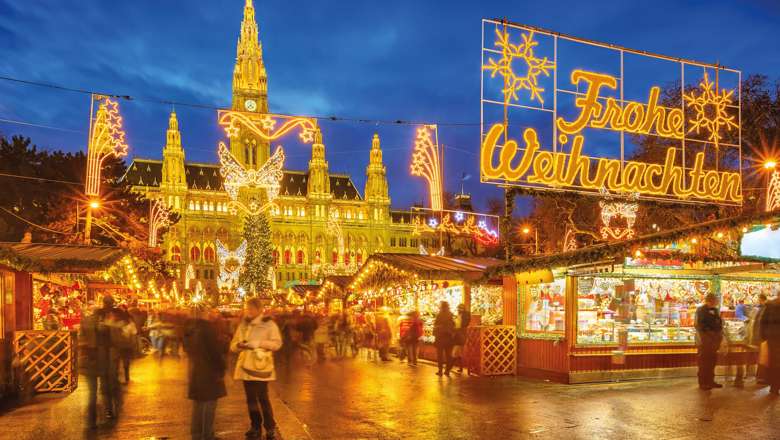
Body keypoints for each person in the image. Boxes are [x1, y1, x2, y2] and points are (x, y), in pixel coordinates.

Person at [231, 298, 283, 440]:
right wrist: (239, 345)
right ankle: (255, 426)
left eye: (251, 309)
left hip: (260, 366)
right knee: (250, 399)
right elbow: (233, 344)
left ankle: (270, 427)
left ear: (259, 310)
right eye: (247, 309)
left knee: (262, 398)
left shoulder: (269, 324)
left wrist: (259, 343)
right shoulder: (243, 324)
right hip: (245, 367)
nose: (249, 311)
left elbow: (277, 344)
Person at [79, 296, 124, 429]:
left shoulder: (86, 321)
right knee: (106, 387)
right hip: (102, 359)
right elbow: (116, 340)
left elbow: (81, 340)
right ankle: (109, 411)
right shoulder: (107, 323)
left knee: (92, 392)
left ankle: (91, 420)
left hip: (88, 360)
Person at [184, 308, 227, 440]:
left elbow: (187, 347)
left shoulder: (190, 329)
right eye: (210, 312)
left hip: (196, 370)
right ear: (204, 314)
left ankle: (196, 434)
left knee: (198, 403)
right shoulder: (207, 329)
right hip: (209, 372)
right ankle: (207, 435)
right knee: (209, 403)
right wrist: (222, 368)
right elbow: (215, 352)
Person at [695, 293, 724, 390]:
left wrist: (719, 334)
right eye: (716, 300)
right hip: (705, 341)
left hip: (714, 341)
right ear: (710, 300)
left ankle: (711, 381)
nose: (717, 302)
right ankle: (703, 383)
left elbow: (718, 322)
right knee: (704, 363)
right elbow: (700, 326)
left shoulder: (715, 310)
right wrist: (710, 335)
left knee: (712, 362)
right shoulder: (701, 310)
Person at [760, 295, 780, 395]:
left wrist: (764, 336)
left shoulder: (770, 306)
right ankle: (774, 386)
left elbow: (763, 321)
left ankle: (774, 386)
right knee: (775, 362)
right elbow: (763, 322)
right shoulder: (771, 306)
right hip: (774, 338)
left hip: (772, 338)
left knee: (773, 362)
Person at [747, 294, 768, 384]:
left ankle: (760, 377)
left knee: (762, 358)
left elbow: (756, 324)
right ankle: (761, 377)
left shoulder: (760, 310)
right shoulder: (763, 310)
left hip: (760, 338)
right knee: (764, 358)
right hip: (763, 339)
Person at [434, 301, 456, 377]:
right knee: (448, 355)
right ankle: (447, 370)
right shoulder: (450, 315)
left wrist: (436, 333)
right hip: (449, 338)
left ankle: (440, 370)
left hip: (440, 338)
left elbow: (436, 326)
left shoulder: (439, 315)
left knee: (440, 355)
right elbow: (453, 325)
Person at [453, 304, 472, 374]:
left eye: (459, 308)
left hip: (460, 335)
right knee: (459, 352)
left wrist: (456, 327)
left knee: (456, 352)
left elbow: (461, 324)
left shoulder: (463, 315)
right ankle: (460, 367)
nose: (458, 309)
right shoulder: (461, 315)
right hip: (460, 335)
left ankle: (449, 367)